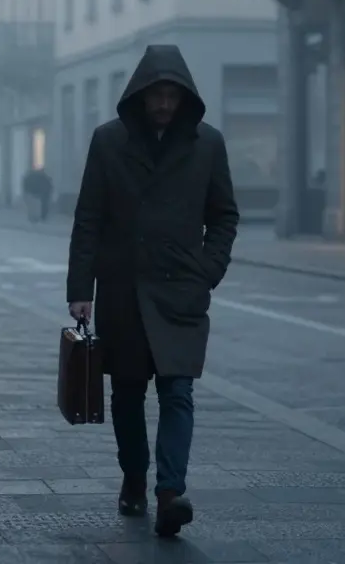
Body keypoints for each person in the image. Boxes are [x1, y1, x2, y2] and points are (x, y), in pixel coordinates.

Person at [66, 44, 239, 538]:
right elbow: (88, 219)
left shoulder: (207, 144)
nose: (164, 103)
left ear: (185, 98)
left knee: (178, 389)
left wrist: (208, 269)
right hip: (122, 289)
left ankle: (170, 492)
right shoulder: (108, 142)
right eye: (156, 95)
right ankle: (134, 477)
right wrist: (81, 288)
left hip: (180, 288)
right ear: (140, 96)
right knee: (125, 393)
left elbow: (223, 215)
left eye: (172, 95)